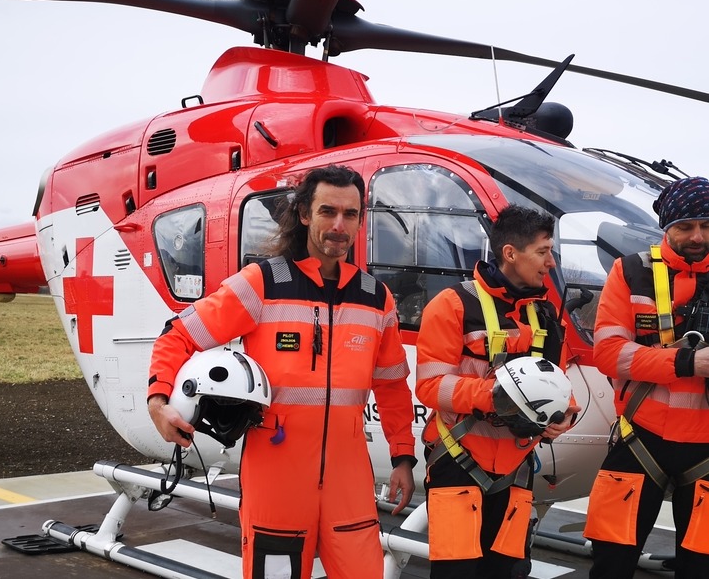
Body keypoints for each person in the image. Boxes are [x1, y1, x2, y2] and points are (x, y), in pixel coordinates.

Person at [147, 164, 417, 579]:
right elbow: (177, 335)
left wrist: (402, 458)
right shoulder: (263, 283)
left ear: (361, 220)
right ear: (306, 215)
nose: (339, 225)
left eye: (351, 214)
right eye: (328, 212)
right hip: (276, 475)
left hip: (350, 478)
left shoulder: (375, 298)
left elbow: (392, 385)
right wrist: (159, 403)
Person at [415, 203, 580, 579]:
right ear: (510, 253)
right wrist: (500, 398)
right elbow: (429, 386)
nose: (550, 263)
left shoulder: (544, 314)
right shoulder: (453, 304)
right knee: (455, 573)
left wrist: (563, 415)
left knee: (510, 571)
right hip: (457, 462)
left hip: (516, 470)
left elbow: (561, 380)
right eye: (542, 251)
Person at [585, 176, 709, 579]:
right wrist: (689, 364)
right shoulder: (630, 272)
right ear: (666, 228)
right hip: (640, 439)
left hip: (705, 450)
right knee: (611, 564)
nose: (697, 236)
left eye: (707, 225)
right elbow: (607, 354)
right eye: (686, 226)